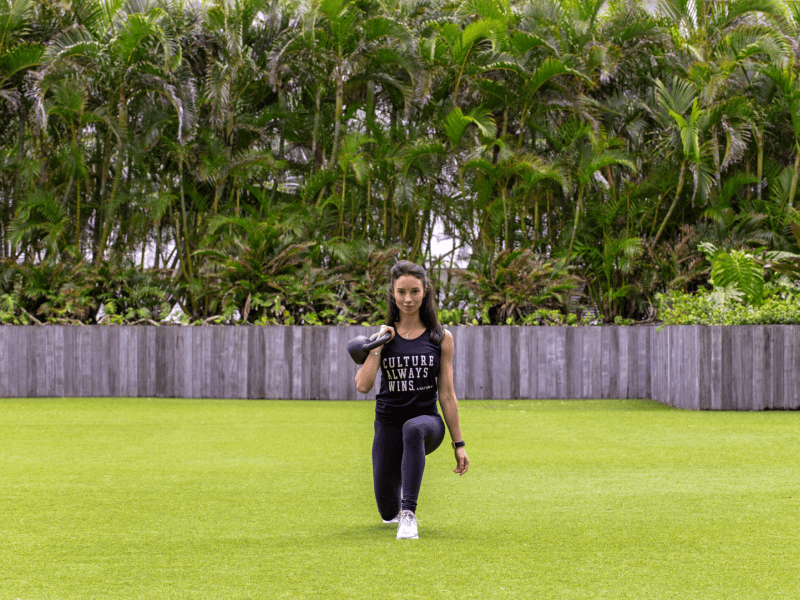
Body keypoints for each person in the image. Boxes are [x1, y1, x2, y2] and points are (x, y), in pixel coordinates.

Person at [355, 260, 469, 540]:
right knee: (385, 511)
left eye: (414, 291)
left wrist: (459, 444)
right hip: (388, 423)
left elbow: (447, 393)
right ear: (392, 293)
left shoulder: (441, 337)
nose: (408, 299)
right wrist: (378, 346)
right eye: (401, 291)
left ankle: (409, 515)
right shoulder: (383, 336)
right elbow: (362, 386)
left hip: (427, 422)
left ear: (425, 291)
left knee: (413, 428)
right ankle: (399, 500)